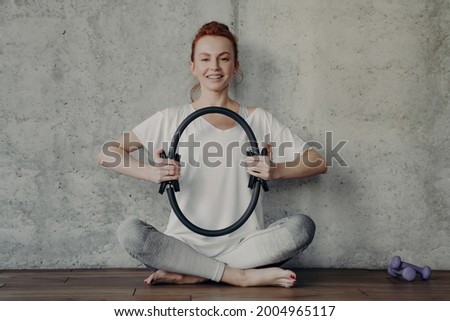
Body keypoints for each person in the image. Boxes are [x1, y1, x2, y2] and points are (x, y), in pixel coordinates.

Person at [97, 21, 327, 288]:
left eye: (224, 59)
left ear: (235, 66)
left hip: (245, 247)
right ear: (193, 66)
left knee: (301, 227)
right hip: (183, 246)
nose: (214, 67)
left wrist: (276, 170)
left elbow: (318, 161)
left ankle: (199, 273)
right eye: (205, 59)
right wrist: (151, 172)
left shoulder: (258, 119)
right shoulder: (170, 118)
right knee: (131, 233)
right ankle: (238, 276)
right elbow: (107, 153)